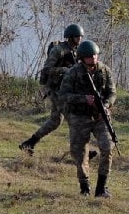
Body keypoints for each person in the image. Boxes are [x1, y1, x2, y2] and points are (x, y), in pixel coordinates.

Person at [57, 40, 116, 197]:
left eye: (95, 55)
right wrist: (83, 99)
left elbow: (112, 93)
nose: (94, 59)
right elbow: (63, 96)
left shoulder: (104, 71)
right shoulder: (73, 73)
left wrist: (106, 104)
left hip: (100, 116)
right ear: (83, 58)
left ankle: (101, 188)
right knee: (79, 152)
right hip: (79, 116)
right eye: (90, 56)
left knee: (108, 146)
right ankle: (85, 187)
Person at [19, 23, 84, 154]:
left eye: (81, 36)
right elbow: (46, 69)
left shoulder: (76, 51)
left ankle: (29, 143)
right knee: (74, 119)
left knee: (55, 121)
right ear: (70, 37)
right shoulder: (58, 50)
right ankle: (81, 152)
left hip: (66, 89)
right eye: (77, 37)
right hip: (55, 90)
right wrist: (64, 70)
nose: (80, 39)